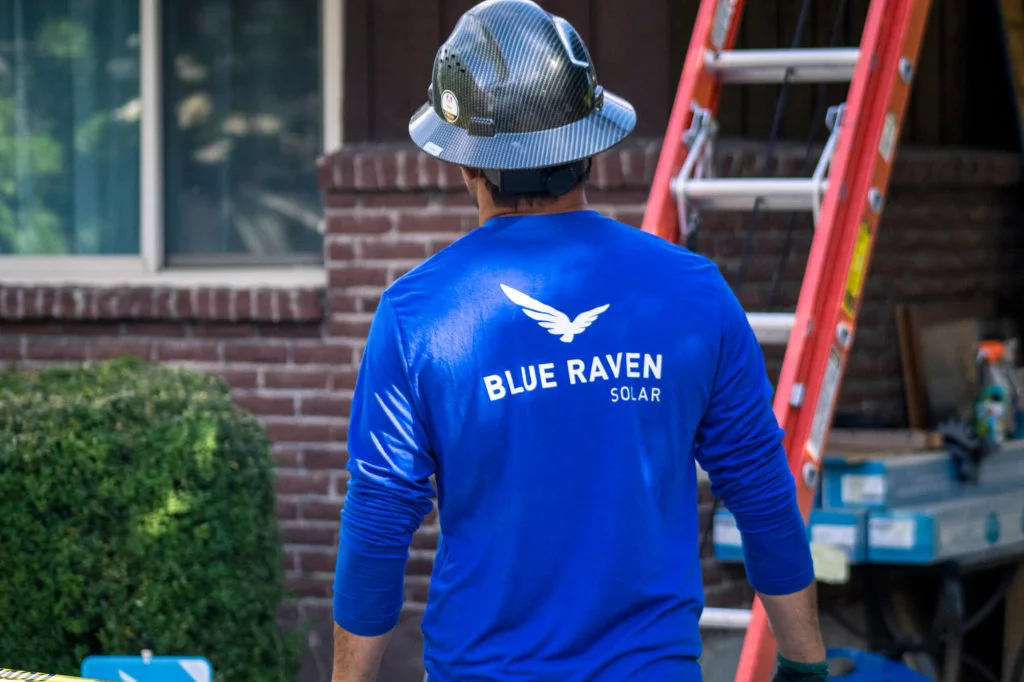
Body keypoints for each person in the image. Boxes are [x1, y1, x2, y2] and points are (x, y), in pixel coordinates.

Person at [331, 1, 829, 680]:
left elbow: (380, 524)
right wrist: (806, 667)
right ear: (589, 146)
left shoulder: (418, 316)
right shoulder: (693, 292)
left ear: (464, 163)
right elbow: (762, 492)